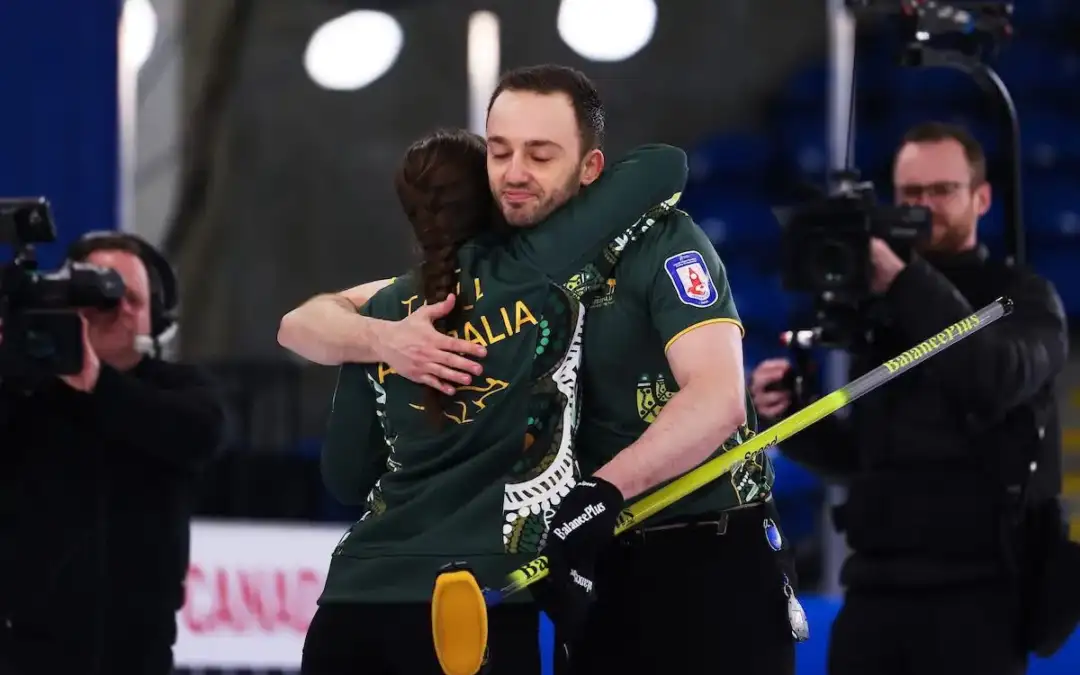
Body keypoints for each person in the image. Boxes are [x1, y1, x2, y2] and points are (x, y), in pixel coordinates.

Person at [281, 65, 798, 675]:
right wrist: (384, 339)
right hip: (584, 560)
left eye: (540, 154)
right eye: (498, 152)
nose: (515, 173)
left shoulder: (661, 240)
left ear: (591, 170)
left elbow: (717, 399)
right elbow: (305, 321)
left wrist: (601, 492)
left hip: (697, 548)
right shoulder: (497, 262)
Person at [300, 129, 688, 675]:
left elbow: (343, 477)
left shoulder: (381, 314)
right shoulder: (537, 267)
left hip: (350, 605)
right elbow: (664, 163)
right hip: (473, 610)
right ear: (492, 195)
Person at [749, 122, 1072, 675]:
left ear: (982, 198)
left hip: (981, 598)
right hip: (875, 588)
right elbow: (860, 459)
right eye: (910, 195)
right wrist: (795, 415)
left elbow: (992, 376)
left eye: (942, 191)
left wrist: (906, 281)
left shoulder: (1022, 296)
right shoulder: (881, 304)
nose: (924, 208)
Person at [0, 232, 227, 675]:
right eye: (99, 294)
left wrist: (97, 383)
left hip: (138, 653)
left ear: (155, 316)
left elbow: (202, 434)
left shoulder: (177, 388)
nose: (117, 308)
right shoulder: (23, 390)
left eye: (132, 299)